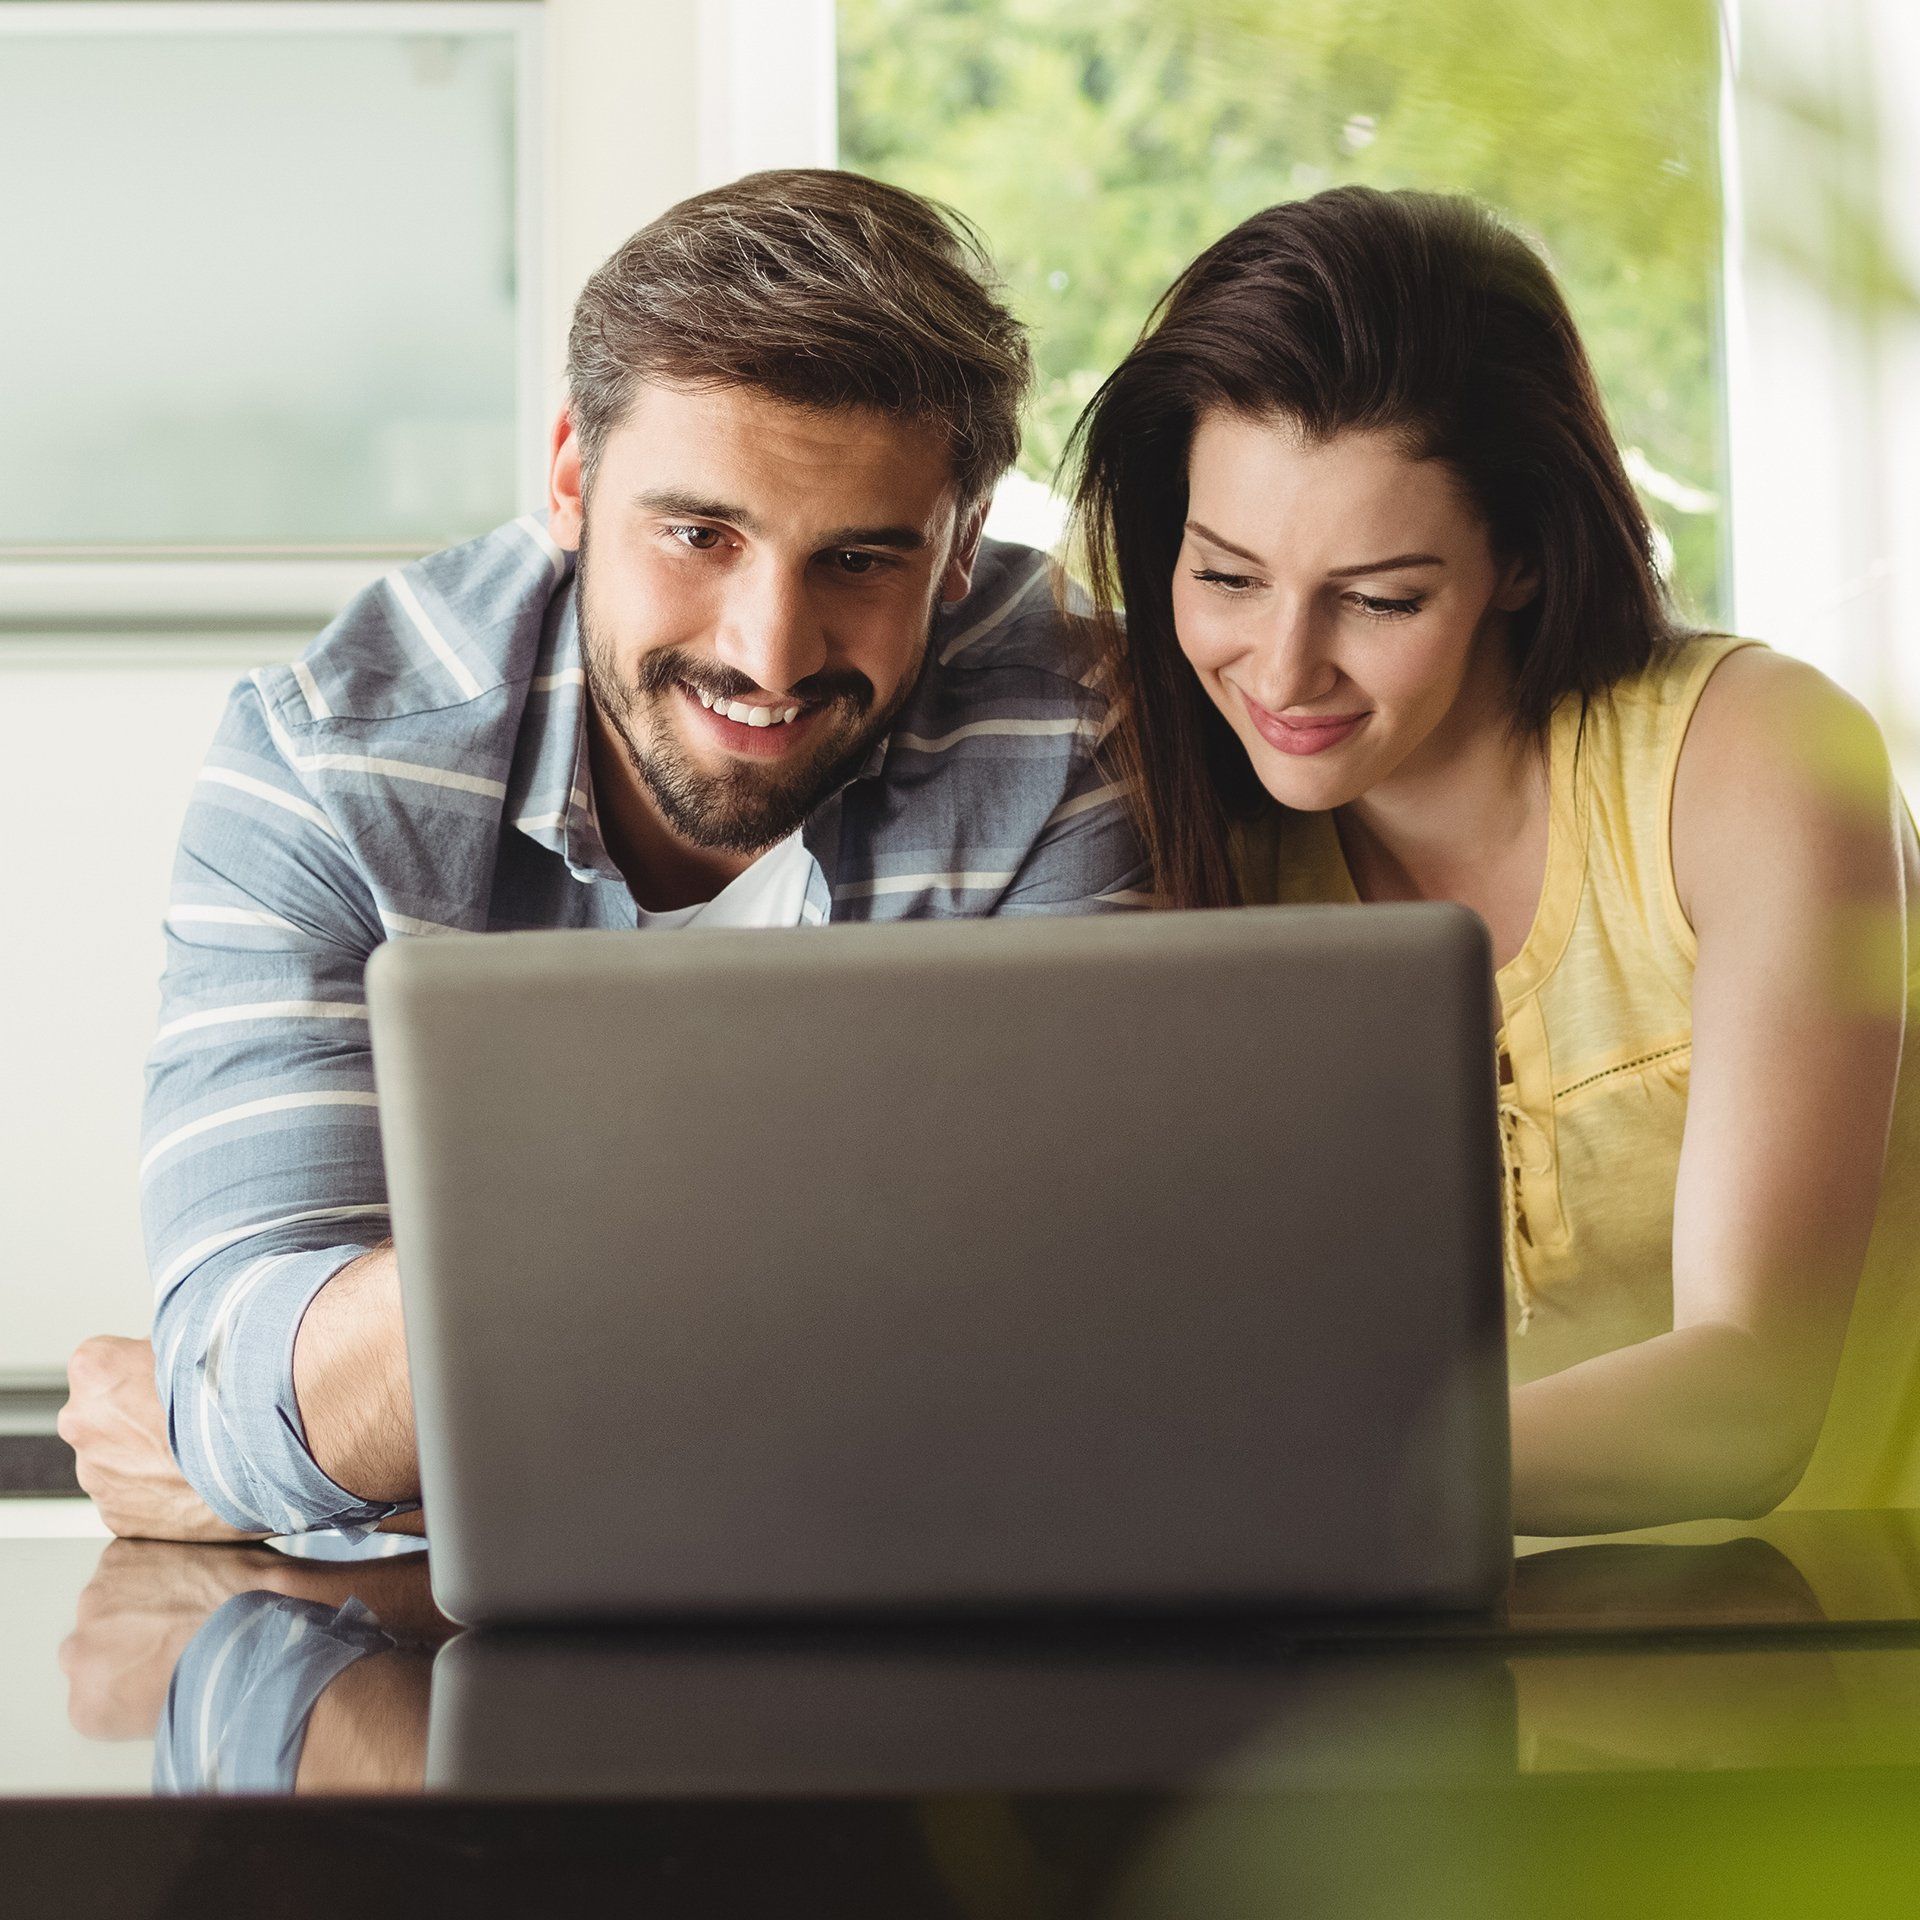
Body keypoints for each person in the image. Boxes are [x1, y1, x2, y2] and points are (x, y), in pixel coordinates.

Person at [60, 169, 1146, 1544]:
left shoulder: (1066, 720)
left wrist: (384, 1447)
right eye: (699, 534)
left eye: (861, 560)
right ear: (573, 476)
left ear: (958, 547)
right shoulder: (326, 765)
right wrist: (274, 1440)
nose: (770, 650)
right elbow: (255, 1398)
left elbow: (1072, 1377)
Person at [1066, 186, 1920, 1533]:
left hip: (1842, 1663)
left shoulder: (1756, 757)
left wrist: (1284, 1493)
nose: (1283, 670)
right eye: (1226, 577)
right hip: (1439, 1675)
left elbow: (1756, 1393)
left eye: (1380, 598)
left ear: (1519, 558)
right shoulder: (1174, 827)